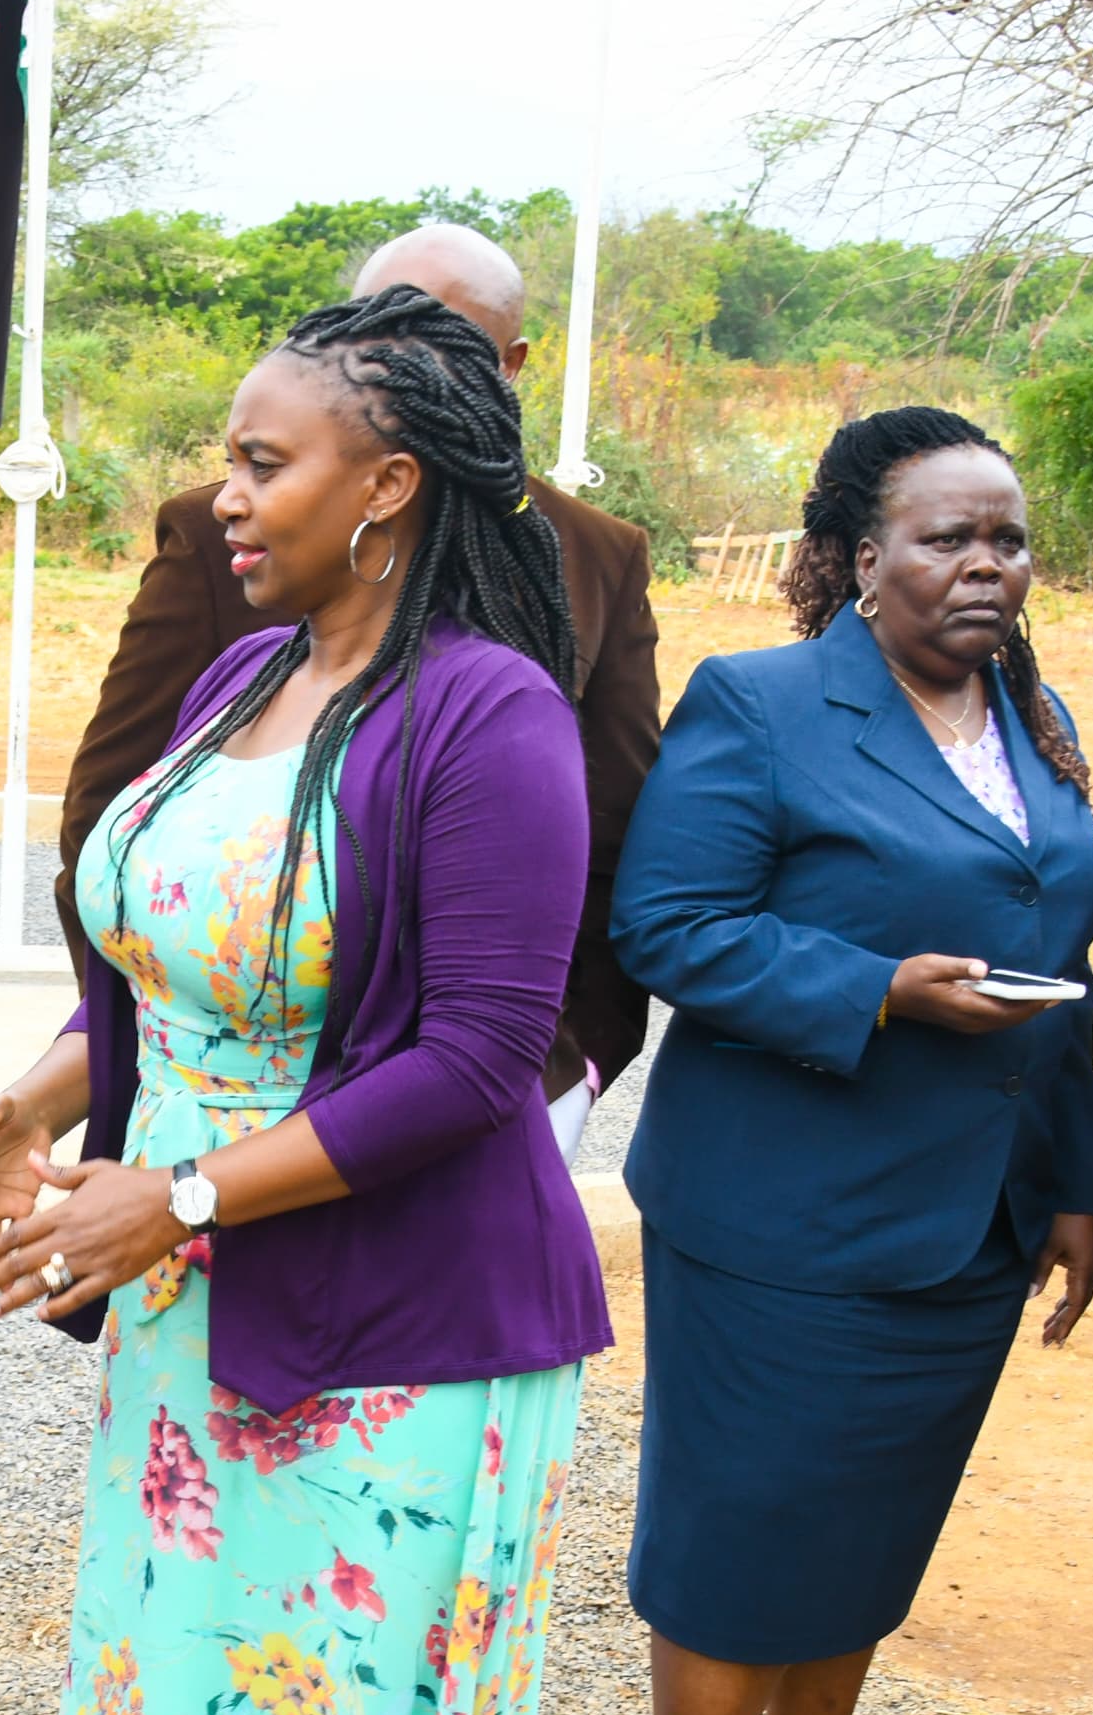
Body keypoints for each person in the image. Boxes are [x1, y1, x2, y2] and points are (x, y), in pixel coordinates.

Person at [0, 288, 610, 1715]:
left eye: (262, 461)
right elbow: (159, 962)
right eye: (230, 458)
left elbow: (486, 1054)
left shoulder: (490, 718)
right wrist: (44, 1102)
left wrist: (185, 1194)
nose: (223, 495)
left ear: (385, 488)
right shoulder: (242, 677)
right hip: (195, 1344)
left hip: (406, 1351)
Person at [601, 411, 1093, 1715]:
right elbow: (668, 923)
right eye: (947, 538)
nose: (984, 566)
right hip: (783, 1205)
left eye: (1007, 539)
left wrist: (1077, 1178)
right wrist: (876, 989)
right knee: (746, 1522)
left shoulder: (1033, 709)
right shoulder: (764, 704)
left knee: (879, 1520)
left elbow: (1070, 966)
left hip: (975, 1207)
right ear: (859, 553)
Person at [50, 220, 663, 1153]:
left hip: (436, 1138)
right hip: (197, 1130)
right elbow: (119, 813)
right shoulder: (238, 628)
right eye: (373, 330)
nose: (233, 495)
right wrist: (137, 1050)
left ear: (511, 362)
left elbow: (614, 841)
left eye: (438, 340)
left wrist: (574, 1063)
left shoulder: (566, 599)